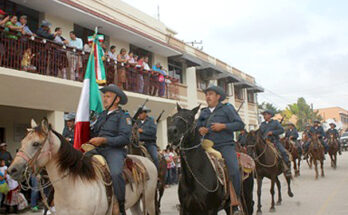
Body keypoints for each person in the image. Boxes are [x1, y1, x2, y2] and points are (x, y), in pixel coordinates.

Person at [197, 85, 244, 214]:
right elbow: (198, 127)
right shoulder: (204, 112)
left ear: (218, 96)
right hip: (206, 145)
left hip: (224, 145)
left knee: (233, 170)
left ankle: (234, 202)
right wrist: (201, 130)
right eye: (206, 94)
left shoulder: (227, 108)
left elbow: (240, 124)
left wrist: (223, 126)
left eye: (210, 94)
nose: (208, 96)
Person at [86, 84, 131, 215]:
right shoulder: (101, 115)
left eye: (108, 96)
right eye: (104, 96)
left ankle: (121, 206)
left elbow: (124, 138)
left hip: (114, 150)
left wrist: (104, 140)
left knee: (116, 173)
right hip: (97, 149)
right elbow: (94, 133)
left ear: (117, 100)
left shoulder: (123, 116)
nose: (104, 99)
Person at [259, 110, 292, 177]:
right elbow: (260, 133)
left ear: (270, 115)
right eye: (264, 115)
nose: (264, 116)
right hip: (265, 142)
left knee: (283, 152)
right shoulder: (262, 124)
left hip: (274, 141)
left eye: (265, 114)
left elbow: (281, 130)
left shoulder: (275, 122)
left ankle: (287, 169)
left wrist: (272, 132)